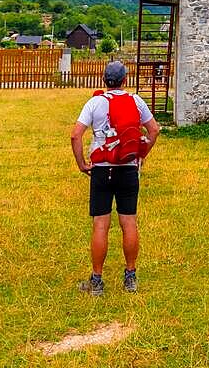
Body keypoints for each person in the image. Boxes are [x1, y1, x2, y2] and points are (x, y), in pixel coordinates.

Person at [70, 60, 160, 296]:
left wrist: (82, 164)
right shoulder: (136, 101)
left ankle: (97, 281)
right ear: (125, 80)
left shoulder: (95, 102)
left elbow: (75, 135)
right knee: (128, 222)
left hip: (101, 168)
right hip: (128, 168)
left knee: (101, 224)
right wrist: (142, 154)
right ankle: (130, 277)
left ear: (103, 80)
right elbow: (154, 130)